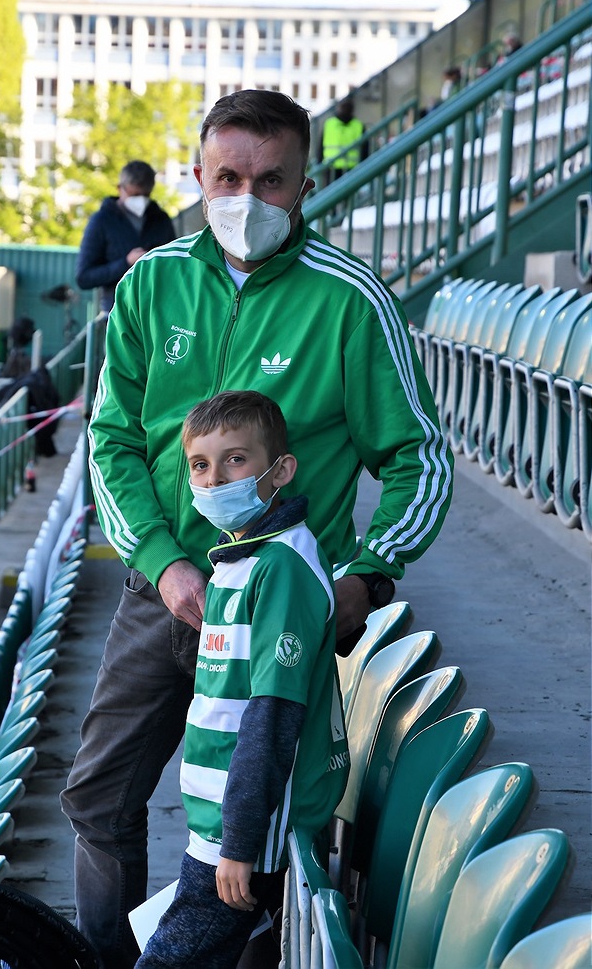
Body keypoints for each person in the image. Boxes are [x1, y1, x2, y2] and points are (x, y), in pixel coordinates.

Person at [60, 89, 454, 969]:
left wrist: (363, 578)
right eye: (228, 175)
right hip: (161, 594)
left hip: (278, 611)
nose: (246, 197)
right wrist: (164, 566)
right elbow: (111, 437)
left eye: (270, 180)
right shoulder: (151, 281)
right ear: (198, 175)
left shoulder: (349, 300)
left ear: (304, 184)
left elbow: (418, 457)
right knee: (98, 802)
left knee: (262, 827)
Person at [135, 390, 349, 969]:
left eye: (235, 460)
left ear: (279, 470)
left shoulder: (281, 565)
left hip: (246, 832)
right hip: (219, 825)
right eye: (200, 465)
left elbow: (272, 714)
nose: (214, 479)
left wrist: (240, 844)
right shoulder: (236, 559)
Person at [75, 160, 176, 313]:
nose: (140, 200)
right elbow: (84, 278)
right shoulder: (101, 221)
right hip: (116, 312)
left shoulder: (161, 220)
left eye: (145, 195)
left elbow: (174, 268)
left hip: (155, 311)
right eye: (134, 194)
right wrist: (126, 263)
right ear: (120, 189)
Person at [317, 96, 365, 184]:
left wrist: (319, 164)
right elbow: (365, 149)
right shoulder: (358, 125)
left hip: (341, 168)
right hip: (339, 169)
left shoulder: (329, 124)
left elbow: (320, 147)